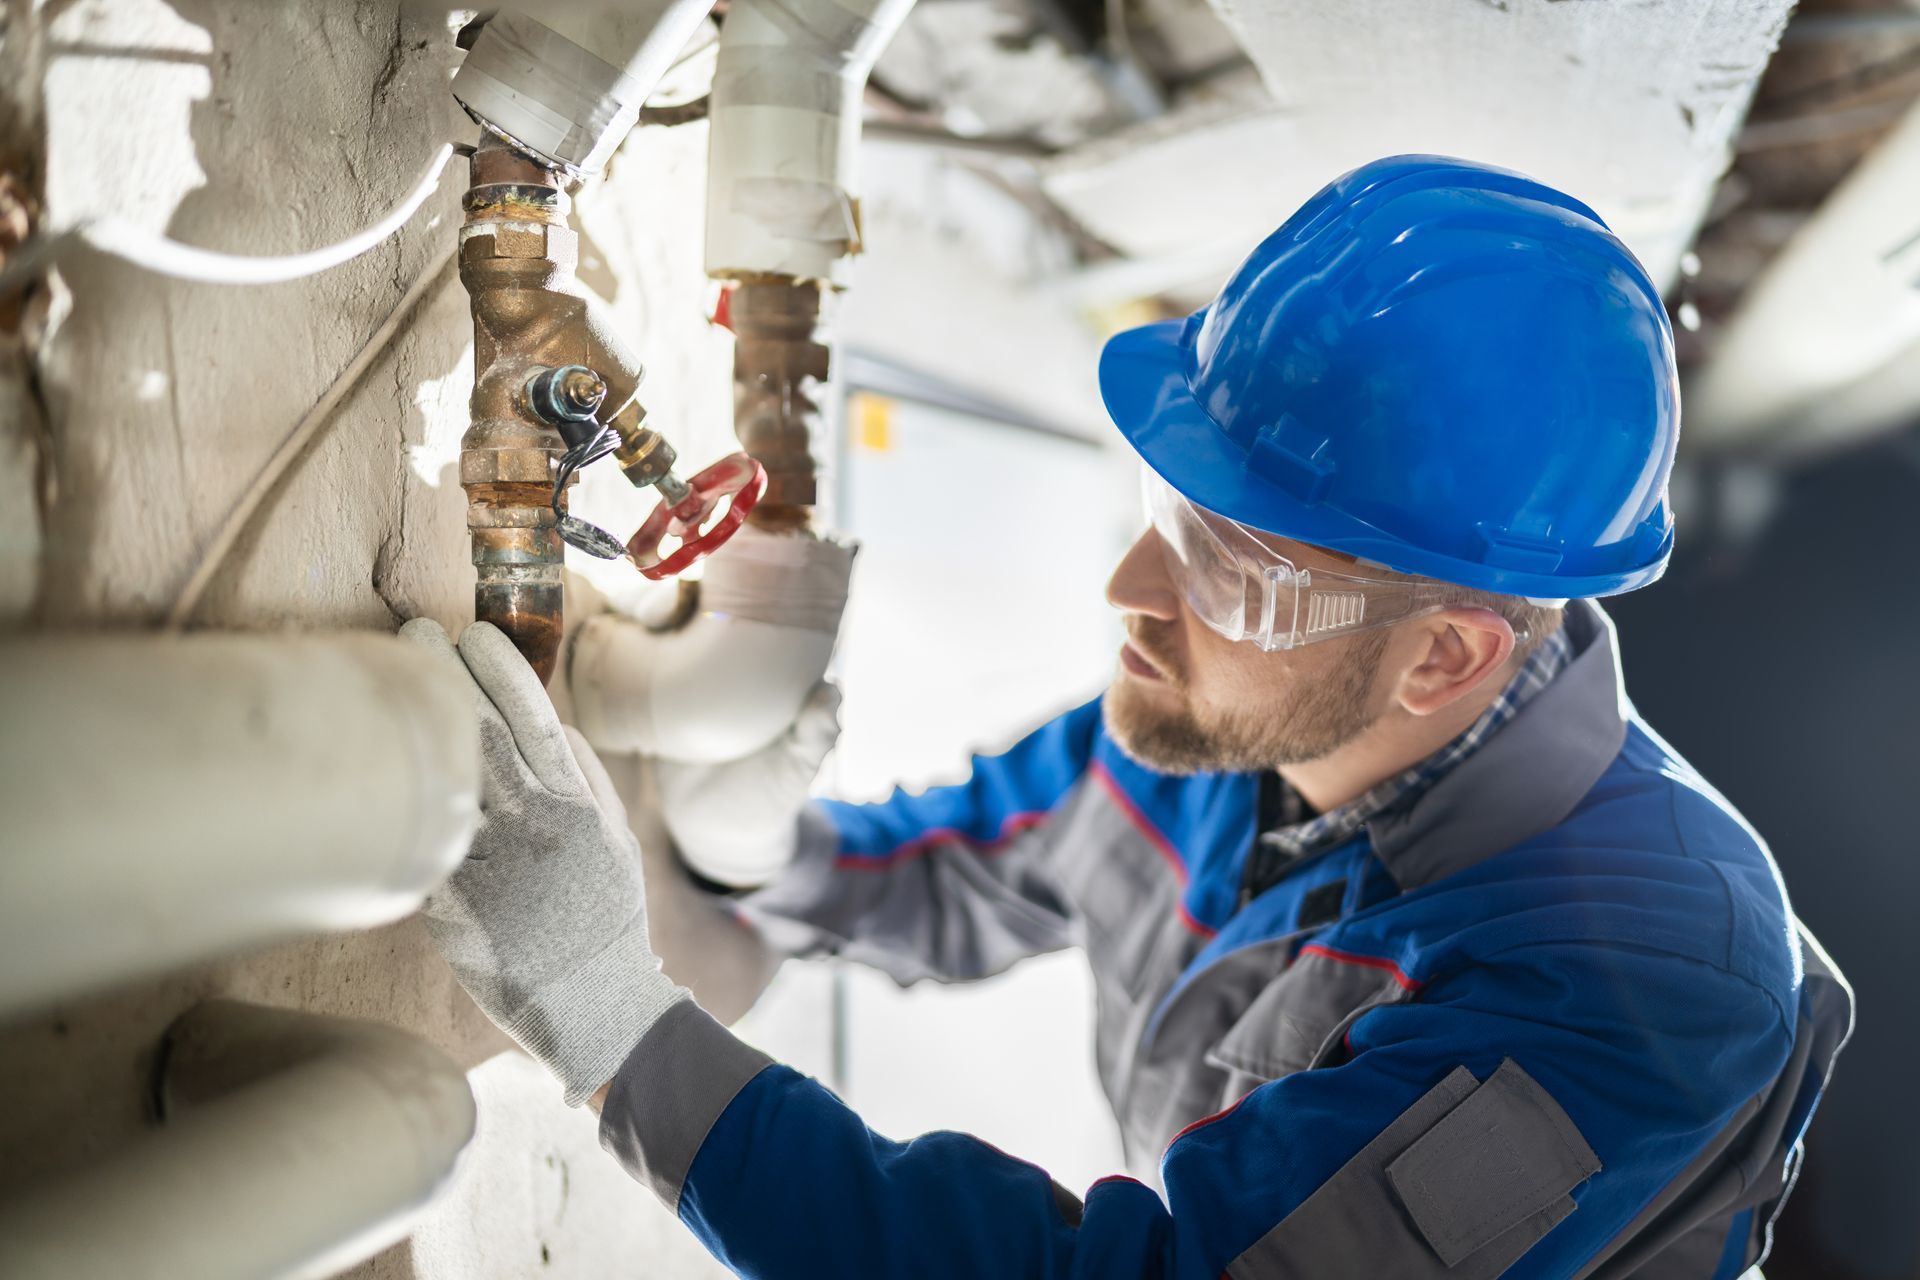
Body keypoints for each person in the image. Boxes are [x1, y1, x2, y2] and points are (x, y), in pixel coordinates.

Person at [401, 155, 1852, 1279]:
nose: (1130, 587)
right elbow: (958, 868)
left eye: (1230, 566)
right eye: (1170, 507)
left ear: (1445, 658)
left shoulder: (1646, 983)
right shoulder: (1218, 737)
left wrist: (609, 1018)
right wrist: (742, 839)